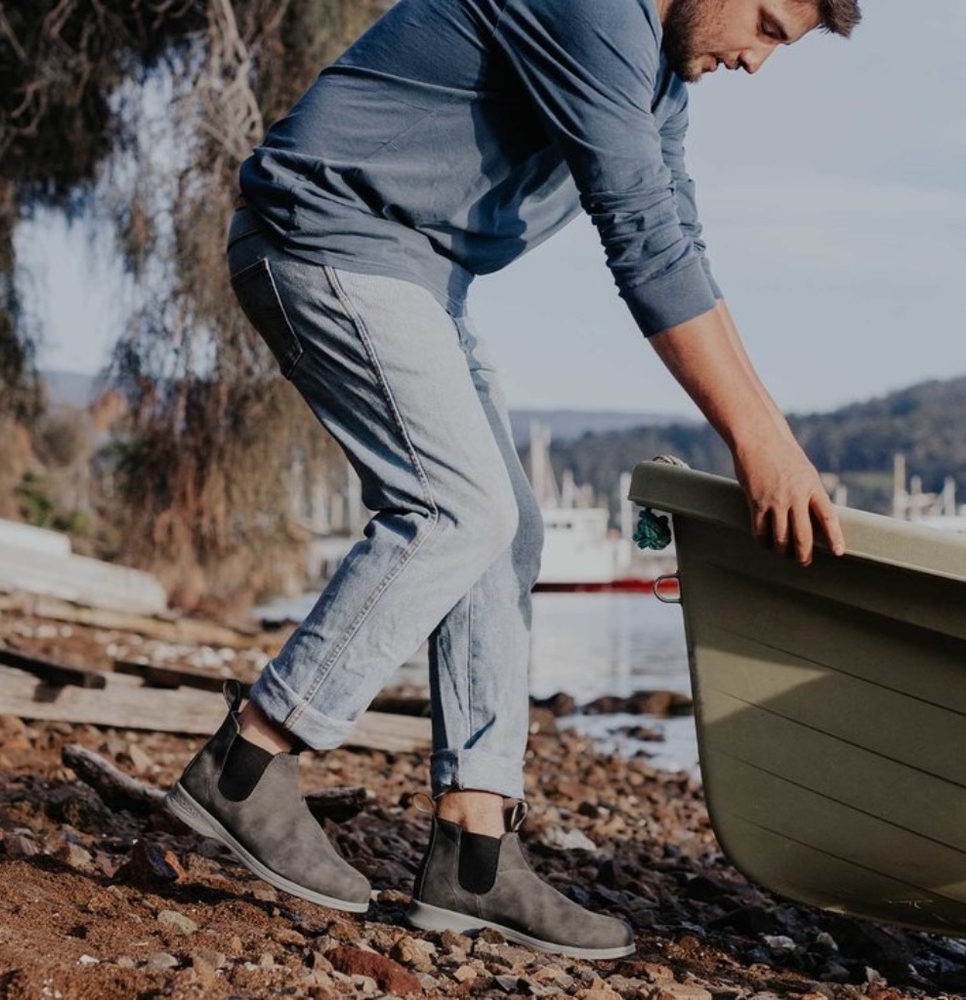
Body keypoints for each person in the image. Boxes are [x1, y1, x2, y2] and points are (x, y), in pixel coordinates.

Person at [167, 0, 858, 958]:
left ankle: (474, 853)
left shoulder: (656, 67)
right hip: (325, 231)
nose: (755, 61)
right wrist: (757, 441)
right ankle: (247, 762)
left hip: (418, 274)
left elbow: (678, 231)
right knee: (458, 508)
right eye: (770, 28)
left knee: (511, 530)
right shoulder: (594, 8)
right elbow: (643, 245)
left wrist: (773, 431)